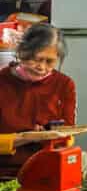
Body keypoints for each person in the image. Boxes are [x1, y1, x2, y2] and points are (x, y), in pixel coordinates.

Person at [0, 24, 77, 178]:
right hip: (4, 172)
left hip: (48, 170)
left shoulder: (65, 85)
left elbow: (68, 135)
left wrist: (51, 136)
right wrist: (25, 138)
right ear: (22, 52)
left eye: (50, 61)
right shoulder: (2, 81)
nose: (41, 67)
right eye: (37, 59)